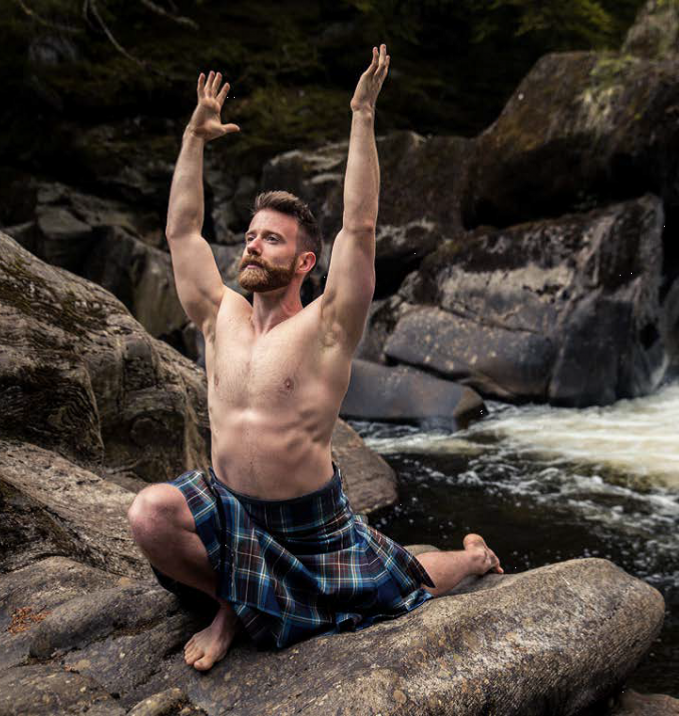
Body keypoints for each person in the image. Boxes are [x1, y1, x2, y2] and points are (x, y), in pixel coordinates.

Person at [126, 45, 502, 671]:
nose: (253, 245)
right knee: (149, 515)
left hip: (312, 524)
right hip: (230, 506)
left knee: (404, 582)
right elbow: (182, 233)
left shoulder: (328, 325)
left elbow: (360, 228)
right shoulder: (220, 316)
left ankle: (475, 556)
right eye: (250, 235)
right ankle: (236, 605)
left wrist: (361, 115)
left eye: (271, 239)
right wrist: (194, 137)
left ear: (303, 262)